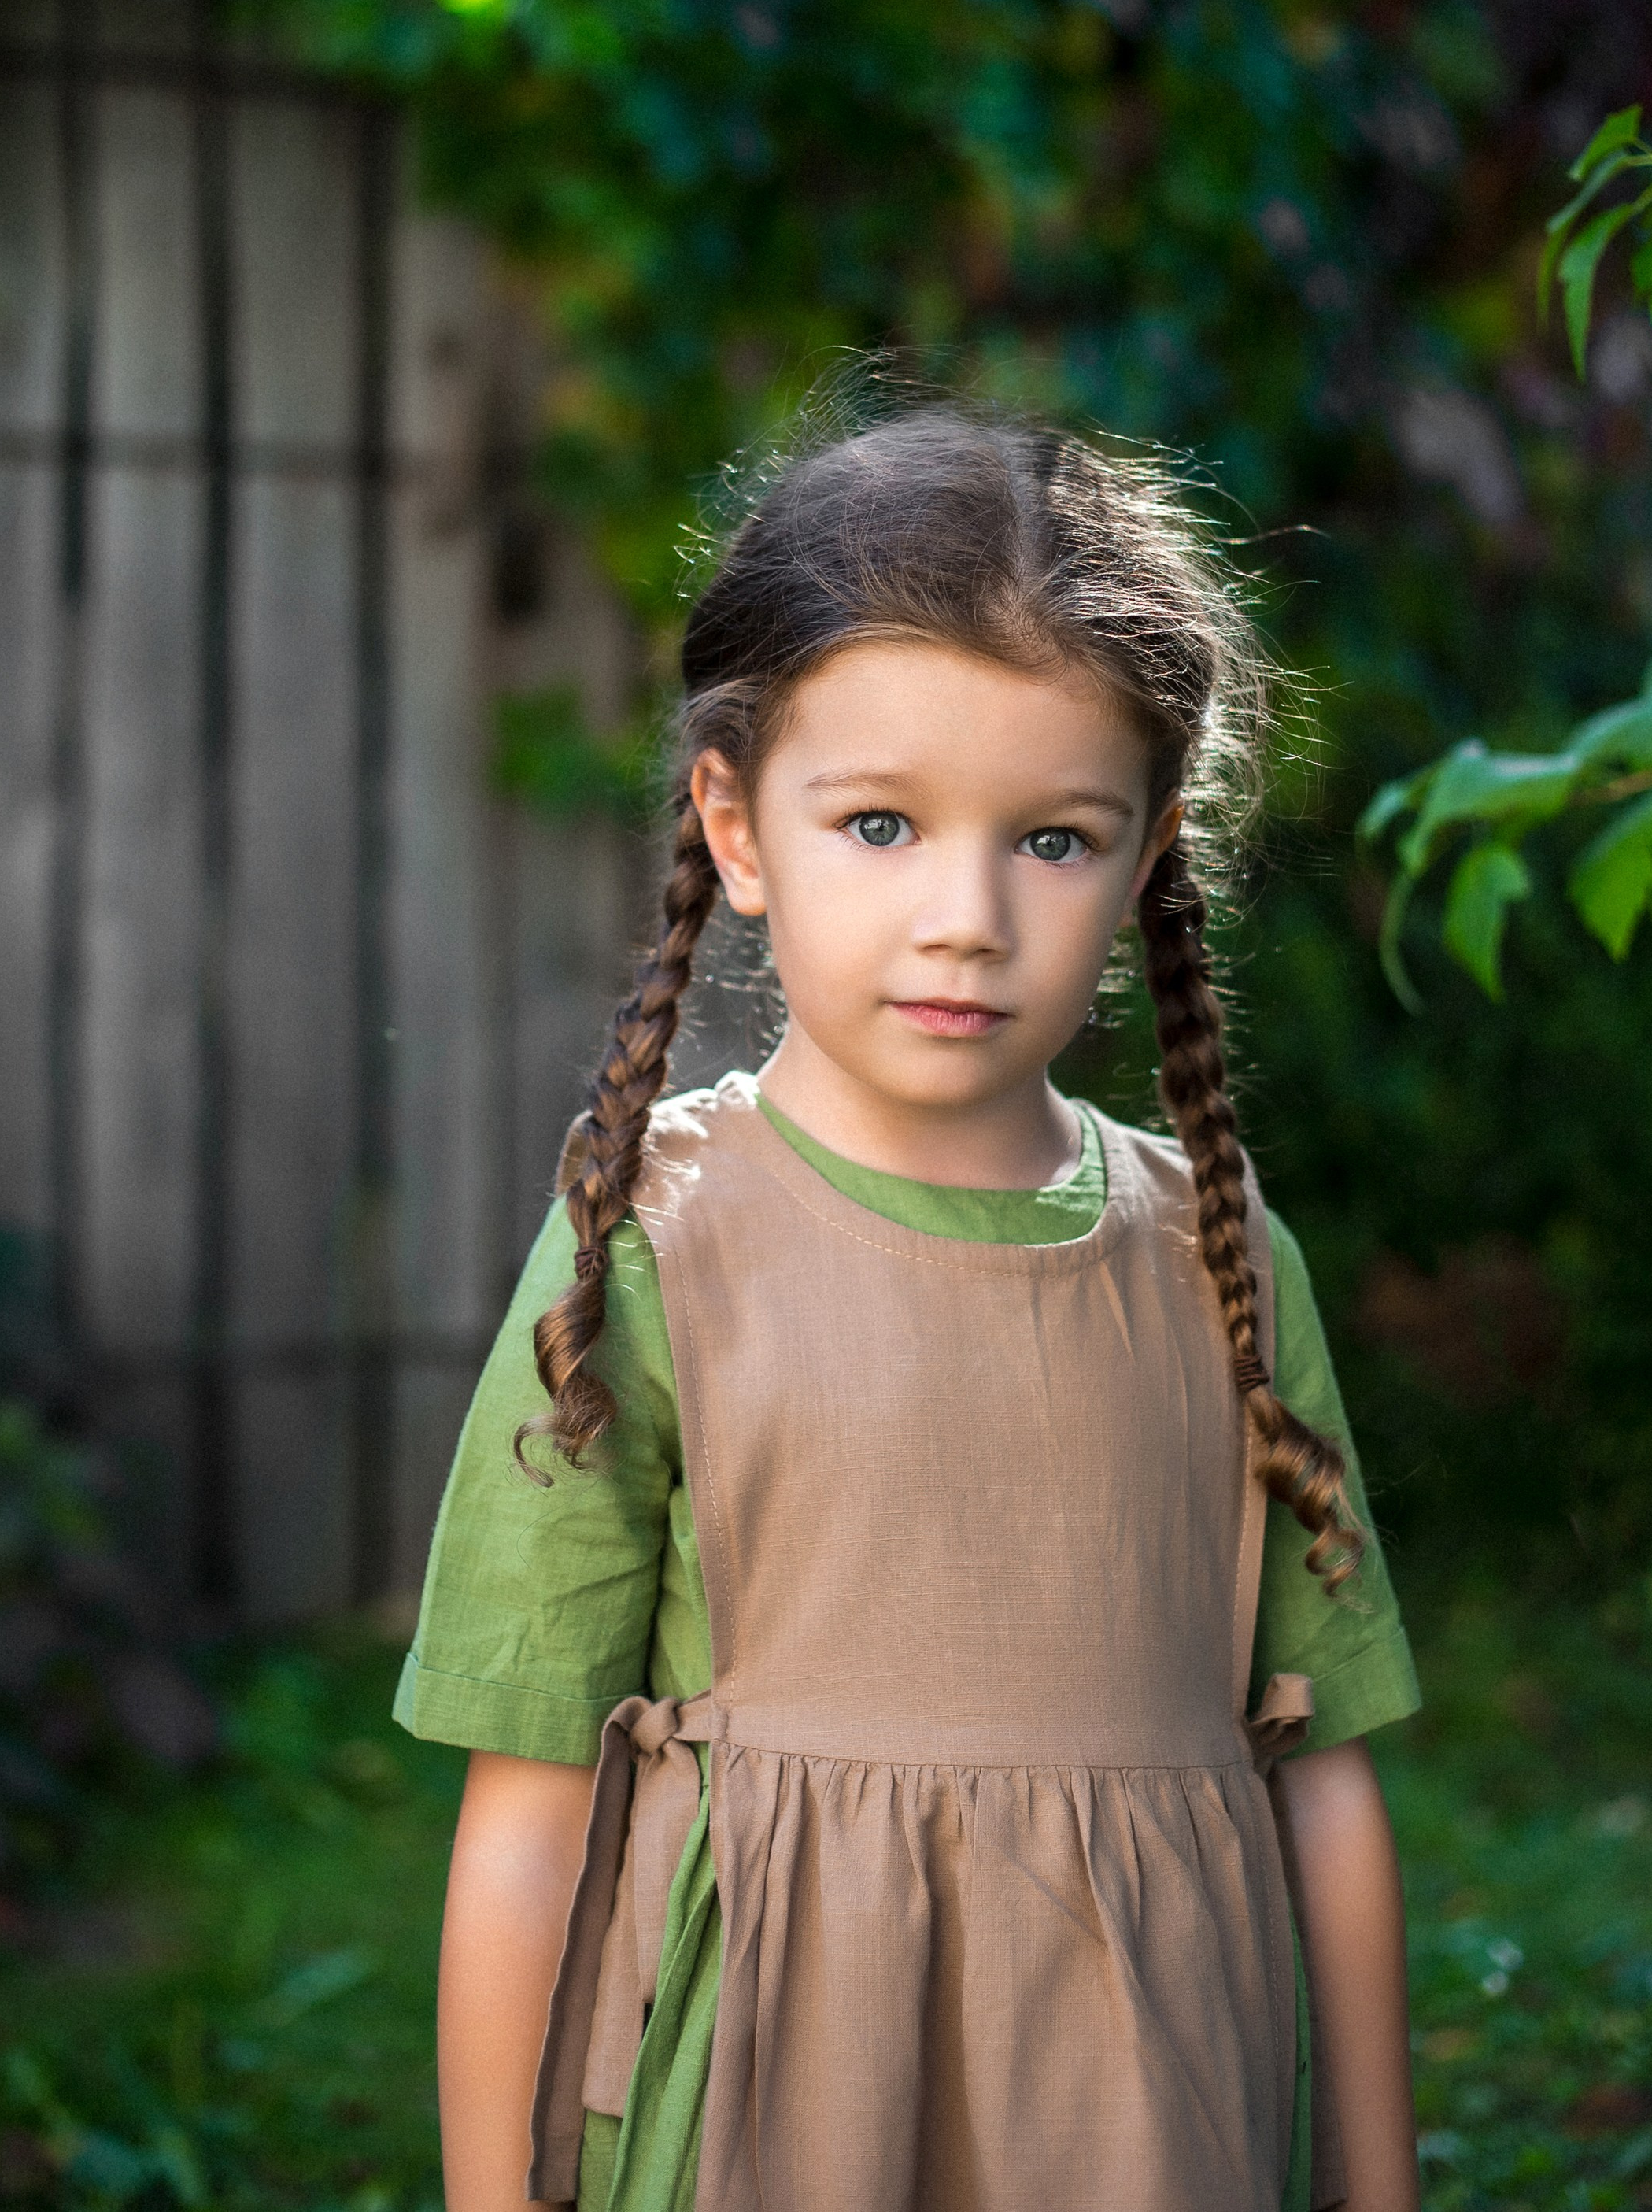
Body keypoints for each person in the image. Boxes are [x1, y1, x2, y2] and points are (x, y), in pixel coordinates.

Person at [397, 406, 1421, 2212]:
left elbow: (1323, 1787)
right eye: (880, 821)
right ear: (739, 825)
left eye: (1052, 839)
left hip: (1145, 2126)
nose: (965, 916)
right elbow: (529, 1814)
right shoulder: (650, 1248)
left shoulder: (1222, 1254)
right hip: (776, 2119)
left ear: (1146, 851)